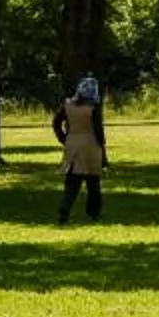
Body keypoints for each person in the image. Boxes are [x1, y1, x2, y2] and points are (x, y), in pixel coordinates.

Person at [53, 75, 106, 222]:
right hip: (91, 145)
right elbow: (98, 131)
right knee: (93, 182)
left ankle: (65, 206)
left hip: (72, 145)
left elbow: (56, 123)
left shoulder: (67, 105)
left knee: (72, 182)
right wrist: (104, 153)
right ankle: (94, 212)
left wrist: (63, 138)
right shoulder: (92, 109)